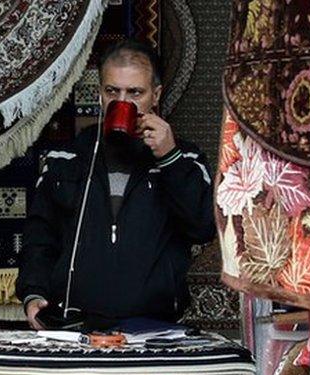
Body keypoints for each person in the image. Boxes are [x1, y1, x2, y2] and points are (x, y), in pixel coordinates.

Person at [16, 39, 215, 330]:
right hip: (73, 324)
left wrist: (169, 157)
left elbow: (204, 227)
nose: (123, 102)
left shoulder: (186, 157)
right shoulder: (65, 158)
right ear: (99, 95)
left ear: (155, 96)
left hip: (155, 327)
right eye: (113, 91)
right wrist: (33, 293)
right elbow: (39, 236)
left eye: (135, 92)